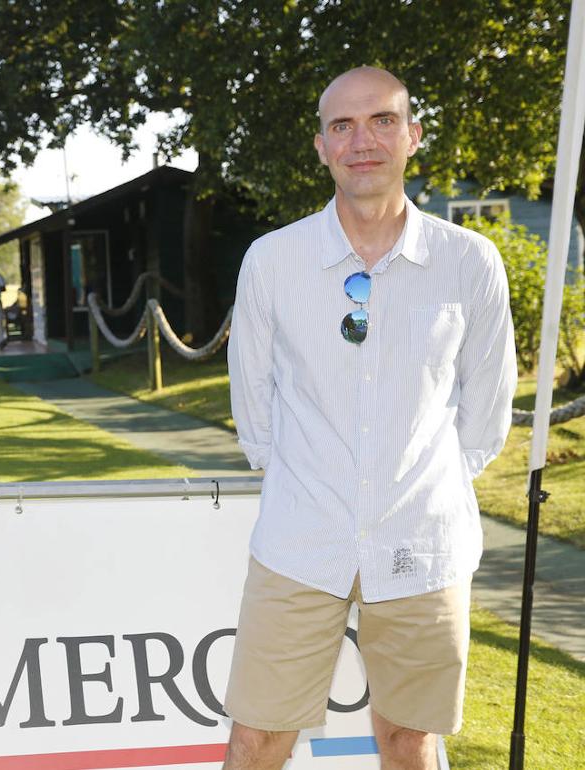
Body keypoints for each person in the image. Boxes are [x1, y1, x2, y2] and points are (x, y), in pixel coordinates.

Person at [224, 66, 516, 770]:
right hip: (299, 541)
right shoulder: (271, 262)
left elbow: (485, 416)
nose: (363, 141)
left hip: (424, 541)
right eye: (342, 126)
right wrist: (316, 484)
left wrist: (411, 486)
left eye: (383, 120)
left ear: (413, 136)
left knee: (409, 740)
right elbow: (254, 414)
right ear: (321, 147)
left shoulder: (470, 262)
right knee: (257, 739)